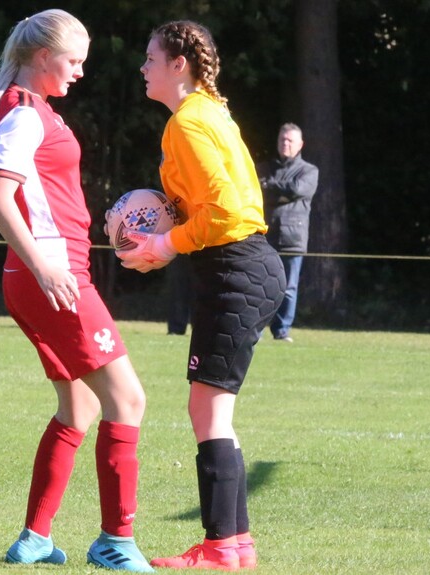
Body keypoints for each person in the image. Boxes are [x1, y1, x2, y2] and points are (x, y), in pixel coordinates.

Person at [0, 9, 153, 573]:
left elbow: (43, 195)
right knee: (127, 400)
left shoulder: (31, 110)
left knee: (78, 406)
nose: (79, 72)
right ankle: (115, 542)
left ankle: (34, 538)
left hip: (44, 272)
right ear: (40, 56)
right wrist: (46, 267)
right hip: (54, 276)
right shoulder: (26, 115)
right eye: (72, 60)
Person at [117, 20, 287, 570]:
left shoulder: (188, 124)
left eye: (149, 58)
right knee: (215, 412)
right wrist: (161, 238)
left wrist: (164, 244)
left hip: (234, 268)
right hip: (247, 267)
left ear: (178, 65)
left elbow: (223, 214)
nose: (142, 67)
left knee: (207, 410)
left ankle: (218, 548)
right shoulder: (208, 113)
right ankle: (235, 546)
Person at [257, 123, 319, 343]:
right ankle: (257, 330)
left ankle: (282, 331)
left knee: (289, 288)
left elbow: (298, 190)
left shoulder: (309, 171)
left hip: (293, 238)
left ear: (300, 144)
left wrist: (271, 188)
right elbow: (256, 190)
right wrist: (281, 191)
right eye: (282, 139)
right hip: (265, 235)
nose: (285, 143)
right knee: (261, 284)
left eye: (290, 140)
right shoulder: (264, 168)